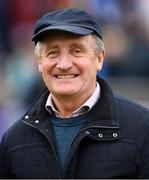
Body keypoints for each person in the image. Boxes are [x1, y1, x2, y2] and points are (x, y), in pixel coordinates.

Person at [0, 8, 149, 179]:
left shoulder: (142, 129)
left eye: (76, 51)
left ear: (99, 58)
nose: (63, 64)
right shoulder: (15, 140)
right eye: (53, 53)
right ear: (40, 62)